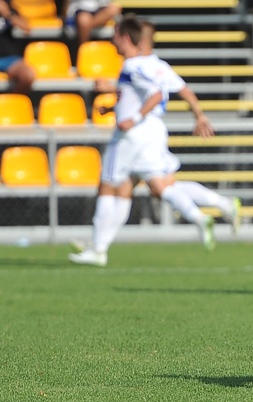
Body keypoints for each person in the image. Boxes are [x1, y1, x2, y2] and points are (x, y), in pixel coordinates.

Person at [68, 17, 240, 267]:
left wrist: (131, 117)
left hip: (132, 134)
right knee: (154, 186)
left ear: (127, 38)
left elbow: (154, 94)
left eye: (116, 35)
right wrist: (199, 115)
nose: (113, 39)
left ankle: (98, 248)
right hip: (154, 131)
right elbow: (181, 91)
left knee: (109, 187)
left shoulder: (132, 66)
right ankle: (217, 206)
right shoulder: (159, 66)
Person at [0, 0, 34, 93]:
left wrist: (8, 15)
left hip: (9, 58)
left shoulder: (9, 8)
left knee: (27, 75)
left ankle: (11, 104)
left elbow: (27, 28)